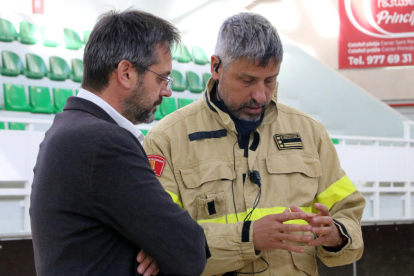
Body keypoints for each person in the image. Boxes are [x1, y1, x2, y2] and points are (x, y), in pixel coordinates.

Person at [142, 12, 365, 275]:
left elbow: (348, 214)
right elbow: (160, 239)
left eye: (270, 80)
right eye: (247, 80)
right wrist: (248, 238)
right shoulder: (165, 140)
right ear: (216, 67)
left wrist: (337, 235)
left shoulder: (310, 133)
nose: (260, 95)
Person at [30, 9, 209, 276]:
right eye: (162, 77)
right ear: (126, 72)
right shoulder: (105, 143)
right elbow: (190, 250)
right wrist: (161, 248)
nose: (167, 90)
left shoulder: (68, 129)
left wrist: (158, 246)